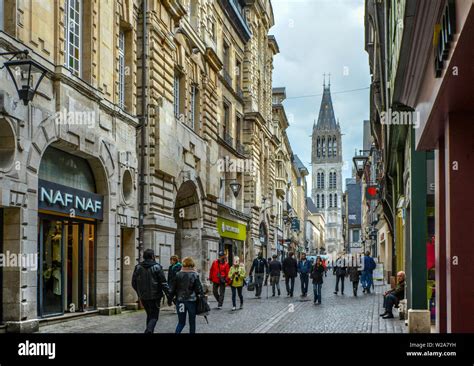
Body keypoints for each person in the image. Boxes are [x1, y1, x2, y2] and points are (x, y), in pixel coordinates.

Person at [132, 248, 171, 333]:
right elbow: (163, 283)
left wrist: (139, 293)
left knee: (149, 315)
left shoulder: (138, 267)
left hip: (143, 296)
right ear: (153, 256)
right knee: (154, 316)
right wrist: (169, 295)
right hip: (155, 296)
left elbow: (133, 283)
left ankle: (149, 331)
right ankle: (148, 331)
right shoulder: (157, 267)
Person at [169, 256, 204, 333]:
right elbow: (199, 289)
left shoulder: (178, 274)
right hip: (192, 302)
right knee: (192, 323)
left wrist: (170, 300)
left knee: (181, 323)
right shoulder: (195, 274)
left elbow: (172, 289)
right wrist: (202, 299)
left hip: (180, 301)